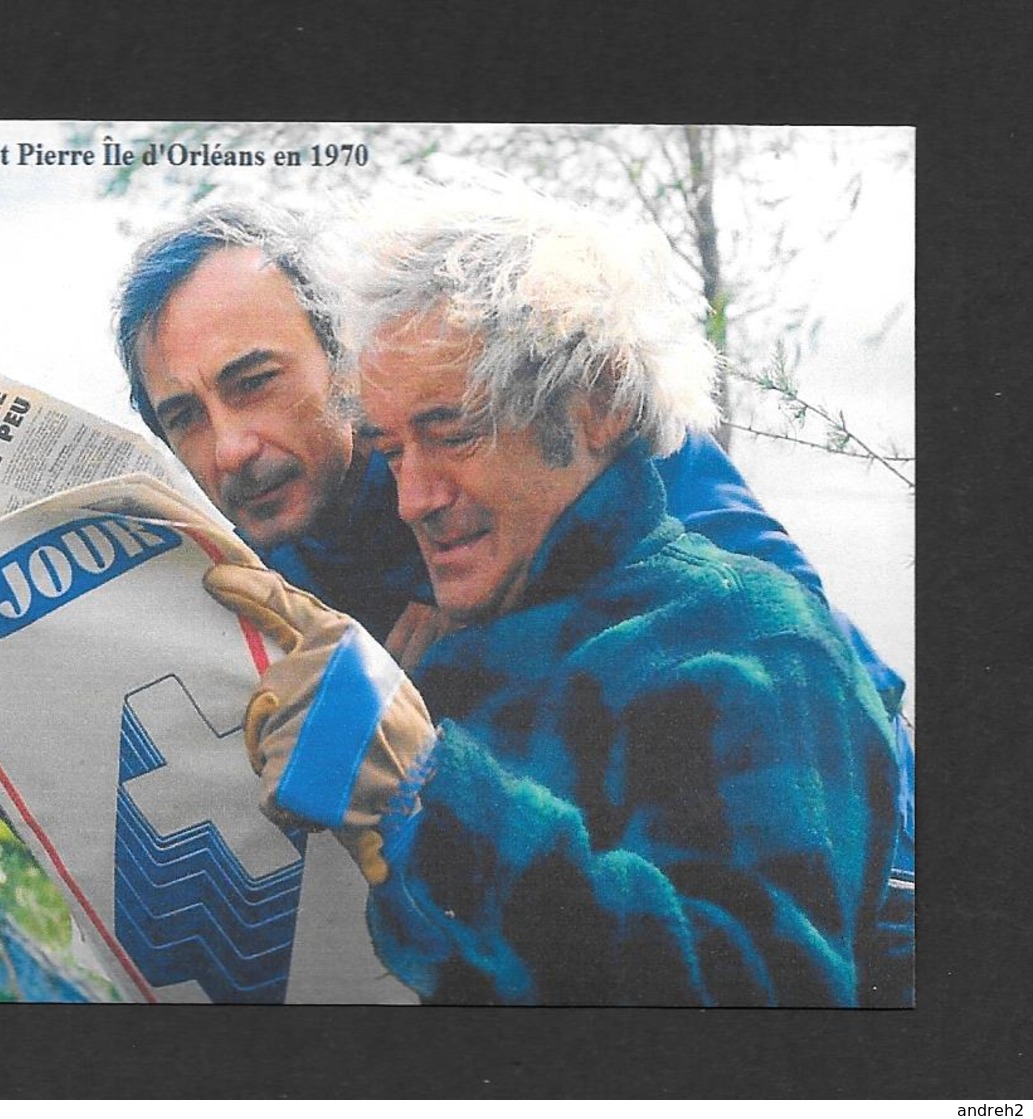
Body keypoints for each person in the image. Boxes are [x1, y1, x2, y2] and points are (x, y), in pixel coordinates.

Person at [195, 182, 910, 1004]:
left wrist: (428, 799)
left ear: (597, 403)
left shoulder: (738, 641)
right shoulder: (474, 635)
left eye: (453, 432)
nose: (412, 498)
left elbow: (771, 996)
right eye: (391, 450)